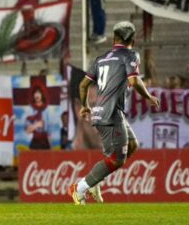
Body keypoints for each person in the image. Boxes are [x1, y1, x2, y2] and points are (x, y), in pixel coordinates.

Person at [69, 21, 160, 205]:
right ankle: (79, 188)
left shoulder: (100, 59)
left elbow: (83, 84)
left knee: (132, 146)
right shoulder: (130, 55)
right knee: (117, 159)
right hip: (111, 114)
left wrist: (85, 105)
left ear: (113, 39)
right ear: (132, 41)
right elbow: (134, 82)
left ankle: (95, 182)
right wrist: (148, 96)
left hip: (104, 112)